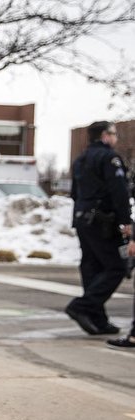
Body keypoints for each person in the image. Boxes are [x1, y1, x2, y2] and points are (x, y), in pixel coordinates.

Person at [65, 121, 131, 335]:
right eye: (113, 134)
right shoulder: (109, 158)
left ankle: (97, 318)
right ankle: (83, 306)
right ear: (105, 135)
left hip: (83, 219)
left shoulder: (81, 159)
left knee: (92, 267)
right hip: (102, 219)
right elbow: (119, 191)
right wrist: (126, 221)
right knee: (116, 267)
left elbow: (75, 193)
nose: (115, 138)